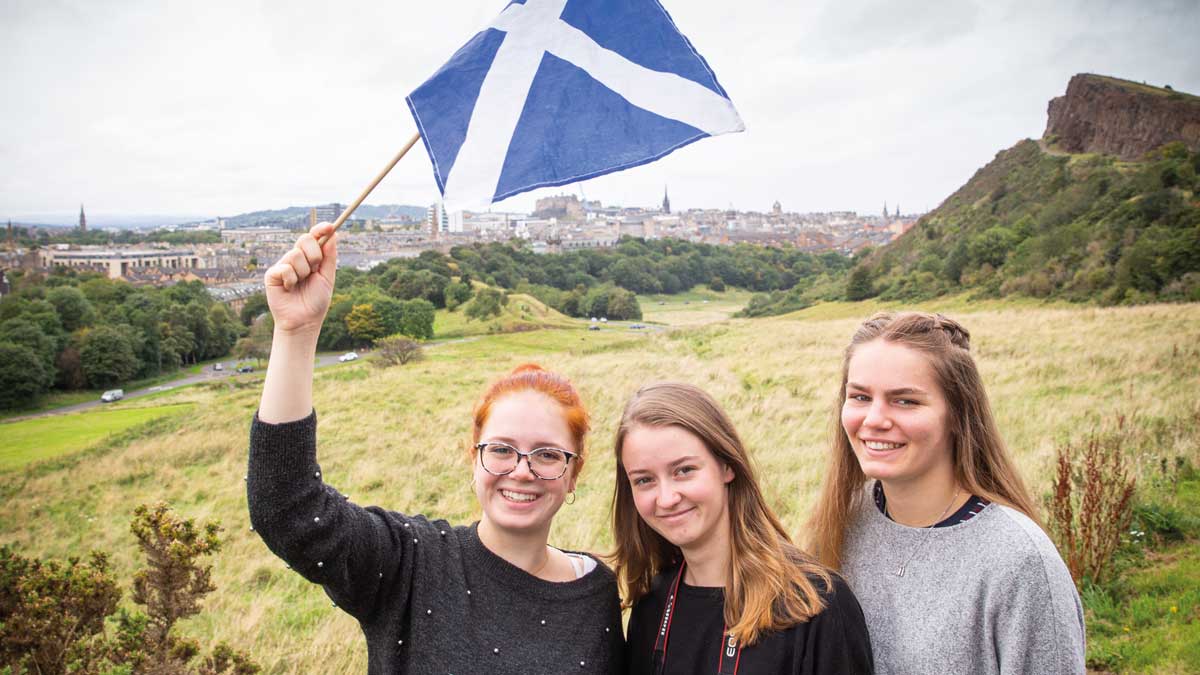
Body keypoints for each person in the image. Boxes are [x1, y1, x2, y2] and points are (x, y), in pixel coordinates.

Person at [246, 222, 623, 674]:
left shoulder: (595, 591)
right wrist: (296, 332)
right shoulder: (412, 562)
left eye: (547, 455)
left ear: (573, 474)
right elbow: (286, 508)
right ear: (475, 457)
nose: (521, 471)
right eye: (501, 449)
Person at [807, 311, 1086, 674]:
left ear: (957, 414)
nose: (874, 419)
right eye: (860, 397)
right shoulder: (843, 519)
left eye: (905, 400)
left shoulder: (1018, 563)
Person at [612, 382, 874, 675]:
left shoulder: (815, 604)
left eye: (684, 471)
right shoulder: (652, 604)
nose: (667, 498)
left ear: (727, 466)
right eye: (644, 480)